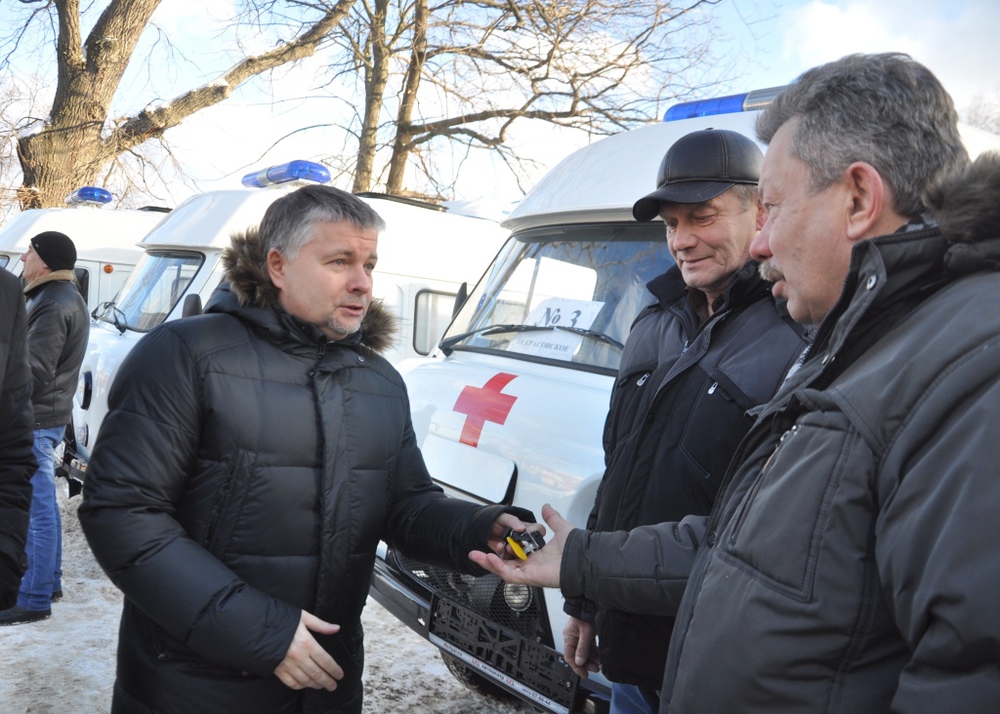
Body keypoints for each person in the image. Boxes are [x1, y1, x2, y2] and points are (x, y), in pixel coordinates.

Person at [472, 52, 1000, 711]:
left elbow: (969, 670)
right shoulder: (839, 344)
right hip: (638, 648)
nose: (757, 245)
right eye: (670, 225)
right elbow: (735, 540)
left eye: (771, 208)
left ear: (859, 199)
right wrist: (584, 577)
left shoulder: (960, 366)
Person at [78, 185, 537, 714]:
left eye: (369, 264)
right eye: (339, 261)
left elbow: (405, 505)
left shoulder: (379, 380)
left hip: (327, 681)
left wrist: (482, 528)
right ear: (278, 265)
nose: (362, 283)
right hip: (195, 682)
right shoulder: (187, 354)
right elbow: (123, 512)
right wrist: (261, 632)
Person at [561, 129, 804, 713]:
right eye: (672, 224)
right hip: (631, 649)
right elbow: (620, 470)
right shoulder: (653, 321)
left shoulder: (799, 327)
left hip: (716, 656)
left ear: (761, 212)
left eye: (702, 217)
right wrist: (588, 602)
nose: (682, 241)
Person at [0, 231, 88, 626]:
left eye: (30, 251)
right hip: (46, 415)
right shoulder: (54, 296)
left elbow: (31, 369)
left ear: (47, 260)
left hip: (35, 416)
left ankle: (33, 597)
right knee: (44, 504)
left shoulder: (52, 302)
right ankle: (46, 582)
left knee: (35, 508)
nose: (22, 257)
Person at [0, 268, 37, 612]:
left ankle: (40, 594)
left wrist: (6, 552)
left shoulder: (6, 291)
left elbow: (11, 453)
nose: (24, 256)